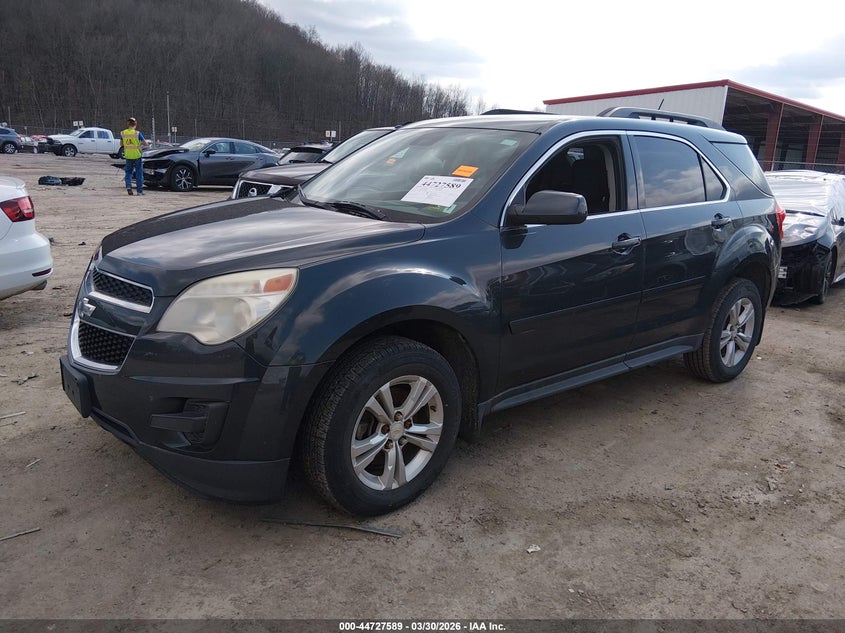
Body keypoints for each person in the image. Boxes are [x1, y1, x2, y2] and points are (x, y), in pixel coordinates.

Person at [120, 117, 149, 195]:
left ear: (128, 124)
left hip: (128, 155)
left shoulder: (123, 133)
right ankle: (139, 191)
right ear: (135, 124)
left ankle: (128, 186)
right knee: (139, 173)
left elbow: (121, 144)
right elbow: (145, 143)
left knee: (128, 172)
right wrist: (139, 145)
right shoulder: (137, 133)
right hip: (137, 155)